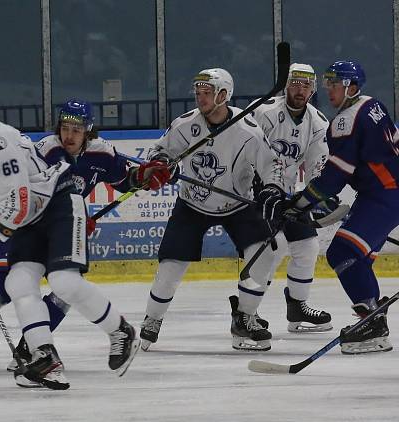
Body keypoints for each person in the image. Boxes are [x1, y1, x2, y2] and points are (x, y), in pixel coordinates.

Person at [0, 88, 152, 390]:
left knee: (64, 283)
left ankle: (120, 331)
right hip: (30, 217)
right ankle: (46, 358)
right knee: (16, 283)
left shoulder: (2, 145)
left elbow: (18, 202)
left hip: (59, 205)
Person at [139, 68, 285, 352]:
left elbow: (272, 165)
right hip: (192, 204)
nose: (200, 97)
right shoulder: (185, 125)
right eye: (198, 92)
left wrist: (272, 188)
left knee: (265, 254)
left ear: (223, 95)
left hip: (236, 203)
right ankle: (152, 319)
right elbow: (159, 151)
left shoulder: (248, 131)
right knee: (171, 266)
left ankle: (245, 316)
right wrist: (159, 165)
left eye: (207, 92)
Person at [259, 60, 399, 354]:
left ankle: (373, 325)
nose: (329, 89)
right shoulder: (374, 105)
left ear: (351, 86)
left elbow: (336, 176)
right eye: (328, 84)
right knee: (358, 257)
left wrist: (300, 202)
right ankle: (372, 316)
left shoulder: (344, 121)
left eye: (335, 84)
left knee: (342, 251)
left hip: (383, 195)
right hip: (383, 193)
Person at [249, 63, 333, 333]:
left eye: (306, 85)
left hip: (284, 195)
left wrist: (316, 197)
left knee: (308, 246)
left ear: (313, 89)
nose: (300, 89)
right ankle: (246, 311)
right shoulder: (263, 112)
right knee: (274, 247)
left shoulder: (318, 122)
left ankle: (297, 307)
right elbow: (243, 151)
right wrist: (255, 188)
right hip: (253, 193)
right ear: (286, 85)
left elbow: (316, 167)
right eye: (295, 83)